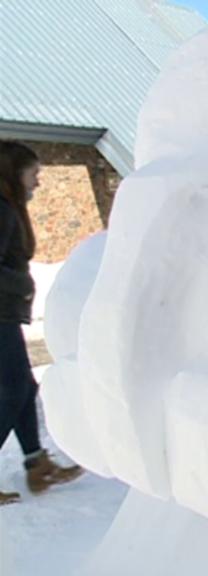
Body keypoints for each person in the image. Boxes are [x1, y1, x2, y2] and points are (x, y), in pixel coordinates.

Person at [0, 141, 83, 505]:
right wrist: (23, 283)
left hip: (3, 313)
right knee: (14, 389)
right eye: (34, 174)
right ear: (14, 173)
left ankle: (36, 463)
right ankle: (37, 463)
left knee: (23, 387)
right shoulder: (1, 210)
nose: (38, 182)